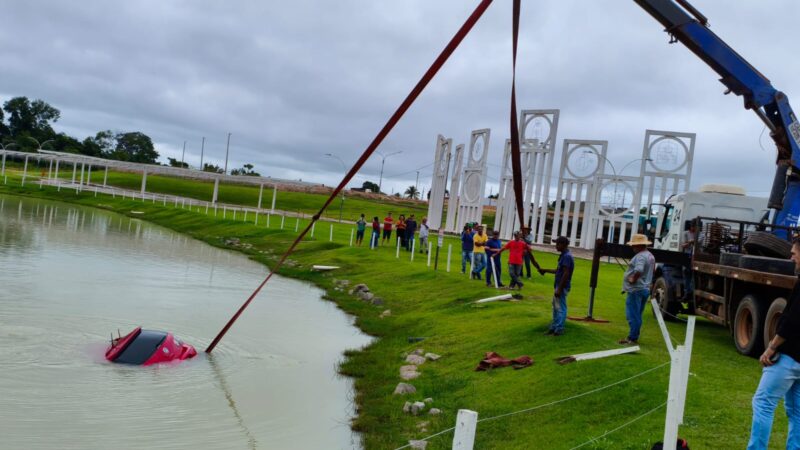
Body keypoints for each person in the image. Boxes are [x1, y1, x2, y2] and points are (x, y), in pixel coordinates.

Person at [747, 238, 800, 449]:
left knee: (763, 403)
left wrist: (771, 347)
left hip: (788, 357)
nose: (792, 256)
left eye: (795, 252)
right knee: (797, 411)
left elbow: (791, 320)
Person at [619, 234, 656, 345]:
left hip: (636, 289)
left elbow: (639, 269)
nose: (632, 247)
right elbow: (652, 270)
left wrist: (633, 279)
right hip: (644, 288)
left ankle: (632, 338)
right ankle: (634, 336)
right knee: (638, 314)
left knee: (632, 315)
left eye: (634, 245)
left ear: (639, 245)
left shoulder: (640, 256)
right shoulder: (650, 255)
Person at [540, 236, 574, 336]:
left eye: (558, 244)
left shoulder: (567, 256)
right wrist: (545, 270)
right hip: (558, 286)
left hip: (562, 287)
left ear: (563, 245)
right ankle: (554, 327)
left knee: (561, 308)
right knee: (555, 306)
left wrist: (559, 289)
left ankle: (559, 329)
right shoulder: (563, 255)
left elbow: (566, 273)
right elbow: (558, 271)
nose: (556, 246)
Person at [680, 220, 702, 301]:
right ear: (691, 226)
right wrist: (690, 242)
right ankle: (687, 293)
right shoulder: (685, 233)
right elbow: (683, 245)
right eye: (694, 227)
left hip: (696, 257)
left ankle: (692, 294)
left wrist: (691, 242)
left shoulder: (700, 234)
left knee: (694, 277)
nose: (696, 229)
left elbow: (699, 242)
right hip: (687, 257)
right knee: (686, 275)